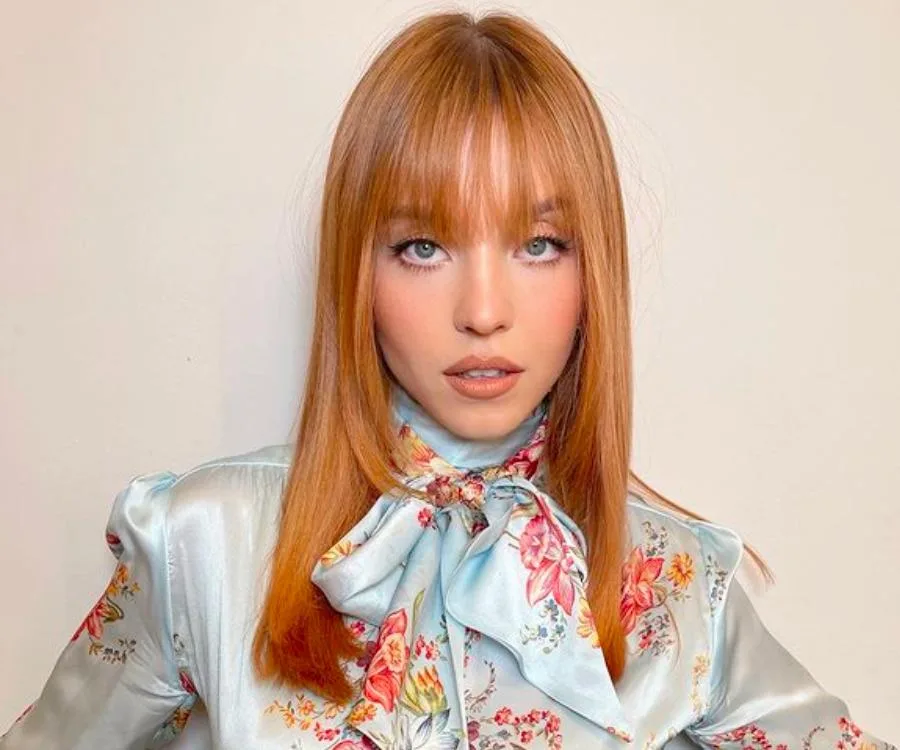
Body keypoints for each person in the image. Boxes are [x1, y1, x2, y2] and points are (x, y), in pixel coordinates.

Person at [0, 9, 893, 750]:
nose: (483, 309)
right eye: (423, 246)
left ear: (595, 271)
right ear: (361, 269)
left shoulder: (678, 588)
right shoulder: (205, 546)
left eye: (539, 245)